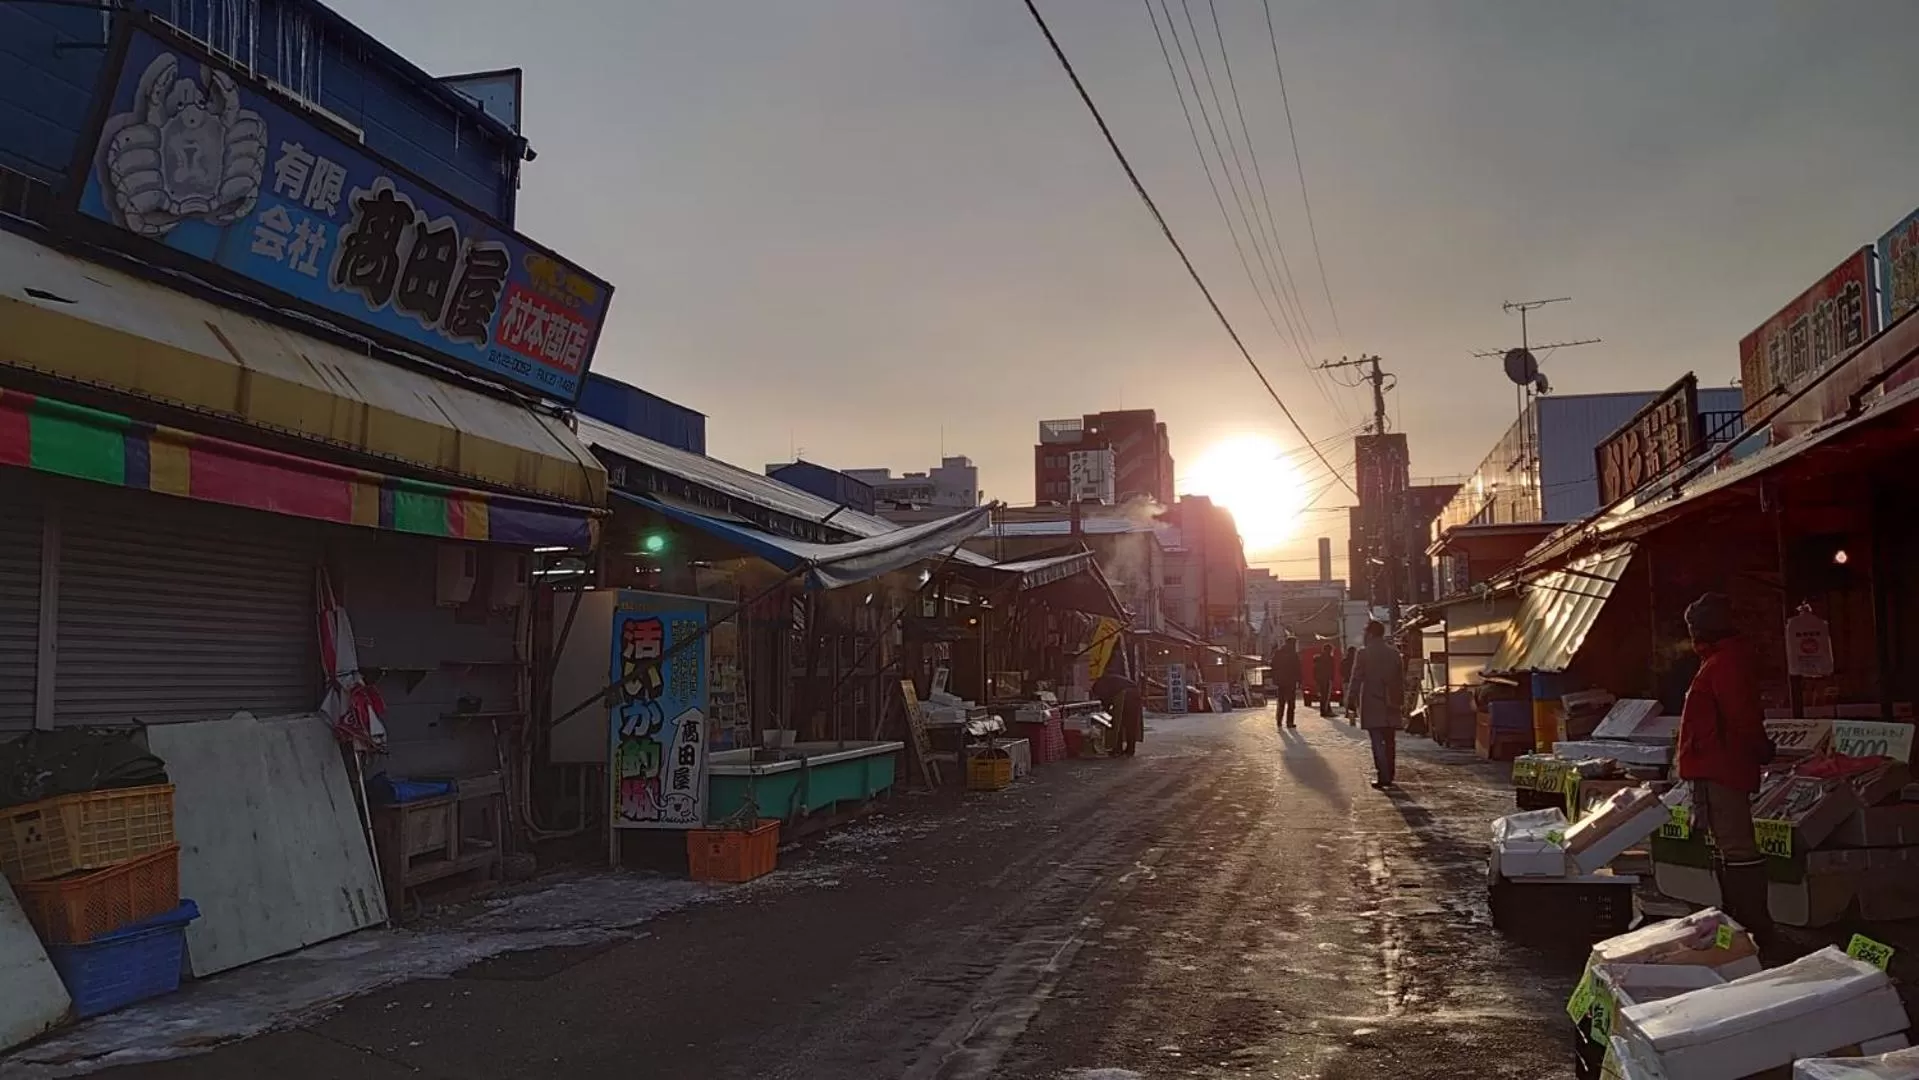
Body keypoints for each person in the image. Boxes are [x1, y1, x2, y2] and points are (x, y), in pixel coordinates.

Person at [1675, 592, 1776, 950]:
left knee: (1736, 846)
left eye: (1694, 626)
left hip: (1722, 768)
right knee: (1727, 845)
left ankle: (1754, 930)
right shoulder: (1719, 661)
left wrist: (1760, 747)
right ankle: (1740, 920)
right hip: (1716, 767)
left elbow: (1741, 716)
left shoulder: (1725, 664)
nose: (1690, 633)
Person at [1348, 620, 1405, 789]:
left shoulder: (1364, 653)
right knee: (1390, 741)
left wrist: (1350, 699)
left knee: (1377, 740)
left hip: (1373, 701)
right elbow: (1400, 679)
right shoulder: (1394, 653)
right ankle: (1390, 773)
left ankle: (1383, 776)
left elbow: (1356, 678)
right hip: (1392, 702)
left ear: (1370, 633)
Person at [1091, 670, 1144, 757]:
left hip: (1125, 695)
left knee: (1117, 723)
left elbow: (1106, 700)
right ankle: (1130, 749)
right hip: (1134, 693)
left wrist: (1105, 713)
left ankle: (1118, 749)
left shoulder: (1098, 686)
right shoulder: (1107, 680)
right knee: (1130, 723)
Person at [1270, 636, 1302, 730]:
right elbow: (1297, 668)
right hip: (1290, 681)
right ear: (1293, 643)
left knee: (1281, 702)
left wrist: (1276, 677)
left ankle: (1279, 721)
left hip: (1280, 682)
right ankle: (1289, 722)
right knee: (1291, 703)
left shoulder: (1278, 653)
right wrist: (1299, 680)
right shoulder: (1293, 655)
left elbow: (1273, 665)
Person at [1311, 644, 1335, 718]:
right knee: (1326, 696)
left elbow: (1315, 670)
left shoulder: (1319, 658)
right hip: (1326, 679)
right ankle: (1325, 711)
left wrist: (1316, 679)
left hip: (1320, 679)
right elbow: (1331, 669)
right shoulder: (1329, 658)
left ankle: (1327, 710)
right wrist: (1331, 677)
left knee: (1324, 696)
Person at [1340, 645, 1359, 726]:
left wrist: (1345, 676)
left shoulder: (1344, 661)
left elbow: (1341, 671)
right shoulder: (1356, 661)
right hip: (1355, 681)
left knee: (1347, 697)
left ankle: (1348, 712)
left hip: (1346, 681)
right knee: (1356, 697)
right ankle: (1354, 712)